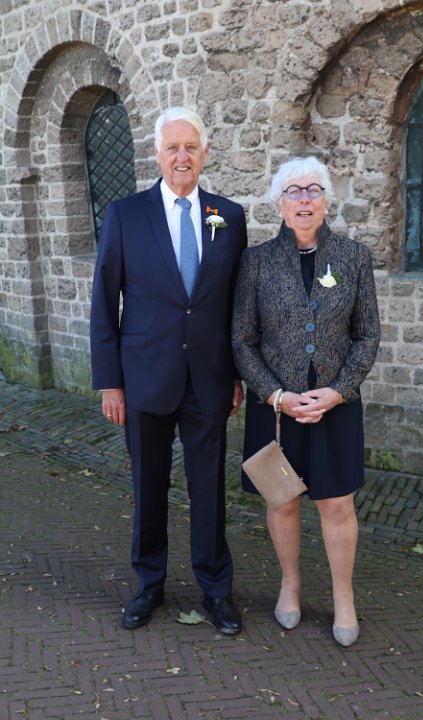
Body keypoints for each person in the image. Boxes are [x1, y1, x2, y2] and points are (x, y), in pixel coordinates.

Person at [90, 107, 247, 635]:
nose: (182, 156)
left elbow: (235, 304)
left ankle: (216, 590)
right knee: (148, 488)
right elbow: (103, 302)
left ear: (205, 153)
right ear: (156, 154)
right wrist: (110, 382)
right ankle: (148, 585)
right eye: (172, 147)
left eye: (191, 147)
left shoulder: (229, 216)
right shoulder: (125, 215)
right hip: (144, 378)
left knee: (209, 490)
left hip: (209, 378)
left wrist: (237, 374)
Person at [232, 157, 380, 646]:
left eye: (314, 190)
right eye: (293, 191)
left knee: (337, 504)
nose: (304, 200)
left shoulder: (353, 257)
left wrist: (339, 391)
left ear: (326, 201)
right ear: (279, 204)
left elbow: (367, 334)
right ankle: (290, 584)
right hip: (277, 406)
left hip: (335, 404)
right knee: (283, 501)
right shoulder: (256, 262)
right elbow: (242, 340)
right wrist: (275, 394)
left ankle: (343, 596)